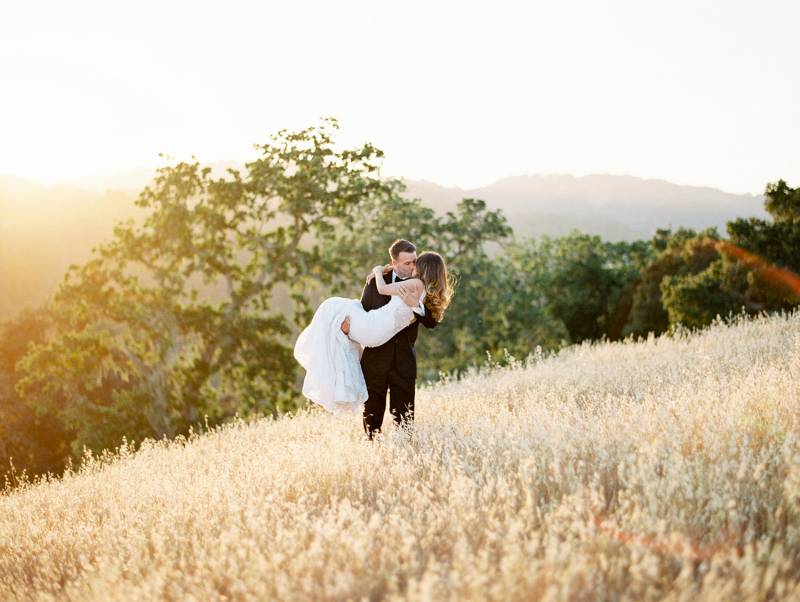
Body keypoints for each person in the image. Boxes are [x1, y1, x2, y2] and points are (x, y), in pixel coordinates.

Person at [293, 241, 452, 435]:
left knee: (405, 417)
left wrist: (415, 306)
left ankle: (406, 452)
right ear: (394, 263)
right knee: (372, 416)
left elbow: (431, 321)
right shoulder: (375, 281)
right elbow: (363, 313)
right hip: (376, 359)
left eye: (415, 261)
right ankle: (373, 450)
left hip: (403, 361)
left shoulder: (422, 283)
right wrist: (344, 330)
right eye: (407, 263)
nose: (412, 266)